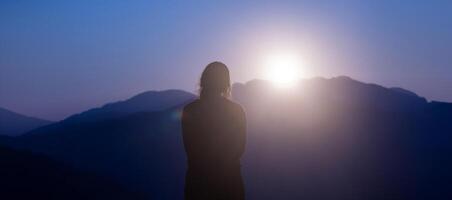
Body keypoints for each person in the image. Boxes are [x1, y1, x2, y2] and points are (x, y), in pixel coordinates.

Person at [181, 62, 247, 200]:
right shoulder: (237, 111)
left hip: (198, 184)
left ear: (203, 81)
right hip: (230, 184)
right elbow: (240, 148)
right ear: (226, 83)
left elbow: (190, 148)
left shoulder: (190, 110)